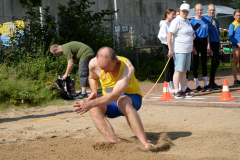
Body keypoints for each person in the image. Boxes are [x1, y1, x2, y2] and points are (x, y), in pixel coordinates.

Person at [73, 47, 152, 148]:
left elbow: (116, 95)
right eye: (103, 69)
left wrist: (90, 103)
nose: (105, 72)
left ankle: (145, 143)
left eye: (108, 69)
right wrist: (93, 91)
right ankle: (115, 144)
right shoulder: (93, 63)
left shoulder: (127, 67)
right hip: (111, 101)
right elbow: (92, 77)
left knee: (122, 101)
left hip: (131, 98)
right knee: (94, 108)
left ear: (116, 61)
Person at [167, 3, 196, 99]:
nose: (185, 13)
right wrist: (170, 49)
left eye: (187, 12)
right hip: (180, 49)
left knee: (184, 71)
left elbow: (190, 34)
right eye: (183, 11)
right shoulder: (176, 21)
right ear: (180, 11)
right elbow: (169, 35)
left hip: (188, 49)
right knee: (178, 70)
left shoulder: (187, 21)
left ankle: (183, 89)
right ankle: (176, 91)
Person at [190, 4, 212, 92]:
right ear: (195, 11)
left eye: (201, 10)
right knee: (196, 63)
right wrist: (193, 47)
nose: (199, 12)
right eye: (198, 10)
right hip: (196, 42)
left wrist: (208, 44)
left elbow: (207, 34)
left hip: (204, 42)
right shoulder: (193, 21)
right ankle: (197, 85)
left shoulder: (205, 20)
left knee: (204, 62)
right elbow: (191, 34)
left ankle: (206, 84)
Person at [202, 4, 222, 90]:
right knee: (214, 61)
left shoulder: (216, 20)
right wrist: (208, 45)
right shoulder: (205, 19)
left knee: (216, 62)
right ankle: (209, 83)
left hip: (216, 43)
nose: (212, 11)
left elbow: (218, 33)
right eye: (210, 10)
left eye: (213, 10)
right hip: (210, 43)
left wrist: (220, 46)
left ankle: (212, 82)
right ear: (207, 10)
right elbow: (204, 32)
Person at [158, 9, 176, 93]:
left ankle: (172, 84)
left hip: (171, 46)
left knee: (172, 66)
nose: (174, 16)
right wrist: (169, 39)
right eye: (173, 14)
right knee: (168, 66)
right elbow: (161, 36)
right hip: (166, 46)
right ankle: (167, 84)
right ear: (167, 14)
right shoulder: (164, 24)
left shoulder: (170, 23)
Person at [229, 9, 240, 85]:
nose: (238, 16)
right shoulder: (232, 25)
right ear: (234, 16)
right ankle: (235, 80)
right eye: (237, 15)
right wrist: (238, 43)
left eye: (239, 15)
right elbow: (230, 37)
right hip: (236, 45)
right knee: (235, 62)